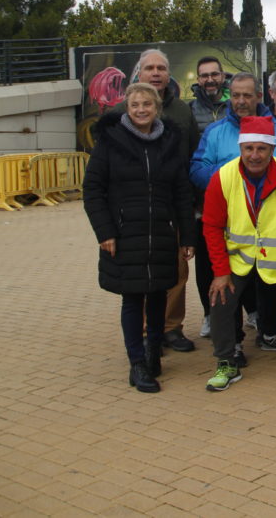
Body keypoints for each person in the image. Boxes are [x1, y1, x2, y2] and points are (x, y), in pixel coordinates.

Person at [83, 83, 196, 393]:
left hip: (161, 233)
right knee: (133, 298)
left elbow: (181, 193)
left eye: (147, 104)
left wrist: (187, 236)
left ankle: (152, 353)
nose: (141, 110)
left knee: (159, 295)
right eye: (135, 105)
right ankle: (137, 362)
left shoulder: (169, 141)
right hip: (124, 234)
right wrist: (105, 231)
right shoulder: (110, 141)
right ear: (127, 108)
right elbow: (92, 189)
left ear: (157, 108)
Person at [201, 116, 276, 392]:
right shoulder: (223, 176)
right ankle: (226, 361)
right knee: (220, 296)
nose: (254, 155)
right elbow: (212, 226)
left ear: (272, 149)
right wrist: (220, 272)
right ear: (240, 148)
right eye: (249, 148)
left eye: (261, 149)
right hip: (239, 259)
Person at [190, 73, 276, 354]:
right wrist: (232, 176)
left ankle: (270, 333)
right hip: (231, 221)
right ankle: (233, 342)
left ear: (259, 96)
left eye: (247, 95)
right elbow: (197, 169)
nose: (240, 101)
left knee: (269, 280)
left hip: (270, 222)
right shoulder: (215, 132)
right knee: (230, 282)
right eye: (235, 95)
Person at [121, 49, 200, 352]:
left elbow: (192, 155)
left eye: (161, 68)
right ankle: (144, 329)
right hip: (136, 209)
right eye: (149, 68)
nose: (156, 73)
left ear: (168, 75)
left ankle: (171, 327)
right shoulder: (120, 112)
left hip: (174, 205)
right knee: (141, 270)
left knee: (177, 269)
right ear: (139, 73)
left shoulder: (181, 111)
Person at [189, 56, 232, 131]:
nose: (210, 80)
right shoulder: (190, 110)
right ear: (198, 80)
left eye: (214, 74)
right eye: (204, 76)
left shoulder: (236, 106)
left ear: (223, 77)